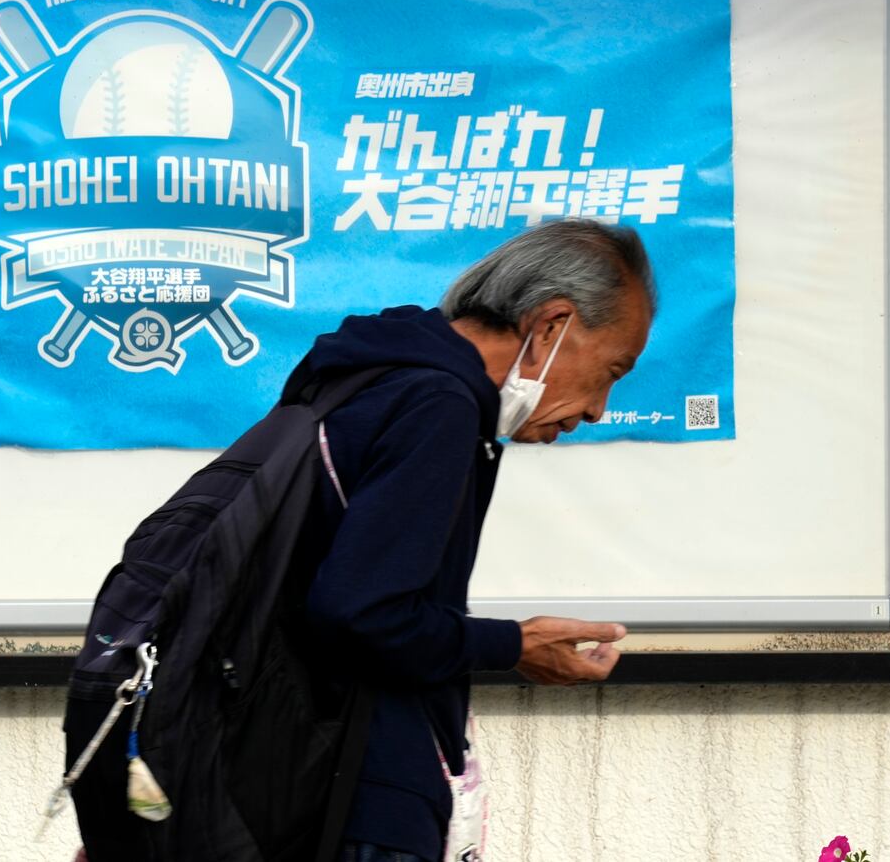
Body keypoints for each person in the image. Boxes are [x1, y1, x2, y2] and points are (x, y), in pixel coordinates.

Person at [281, 217, 655, 862]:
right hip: (361, 793)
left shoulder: (366, 377)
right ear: (550, 326)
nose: (598, 409)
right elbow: (360, 613)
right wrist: (515, 644)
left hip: (299, 775)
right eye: (612, 369)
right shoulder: (440, 403)